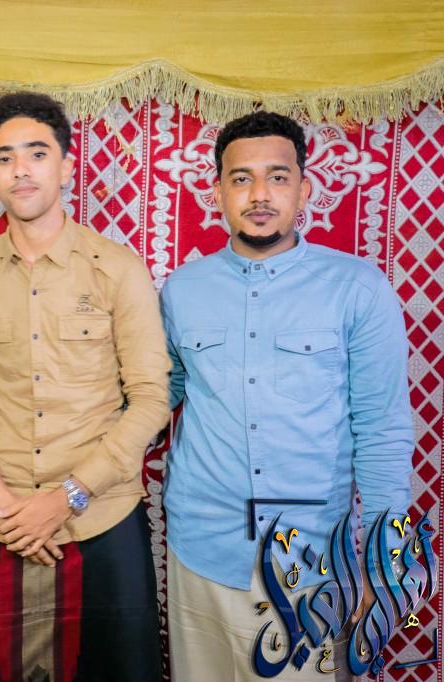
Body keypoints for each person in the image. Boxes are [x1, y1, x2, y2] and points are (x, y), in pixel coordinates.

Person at [160, 111, 414, 681]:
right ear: (217, 192)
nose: (259, 194)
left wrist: (383, 563)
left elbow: (383, 432)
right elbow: (156, 396)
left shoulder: (358, 288)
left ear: (304, 188)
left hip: (311, 559)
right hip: (200, 550)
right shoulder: (182, 290)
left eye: (277, 177)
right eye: (241, 178)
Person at [0, 92, 168, 682]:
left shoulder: (117, 268)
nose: (21, 169)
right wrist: (5, 504)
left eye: (37, 154)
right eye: (4, 157)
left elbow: (151, 398)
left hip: (102, 519)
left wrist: (66, 498)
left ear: (67, 167)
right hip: (5, 523)